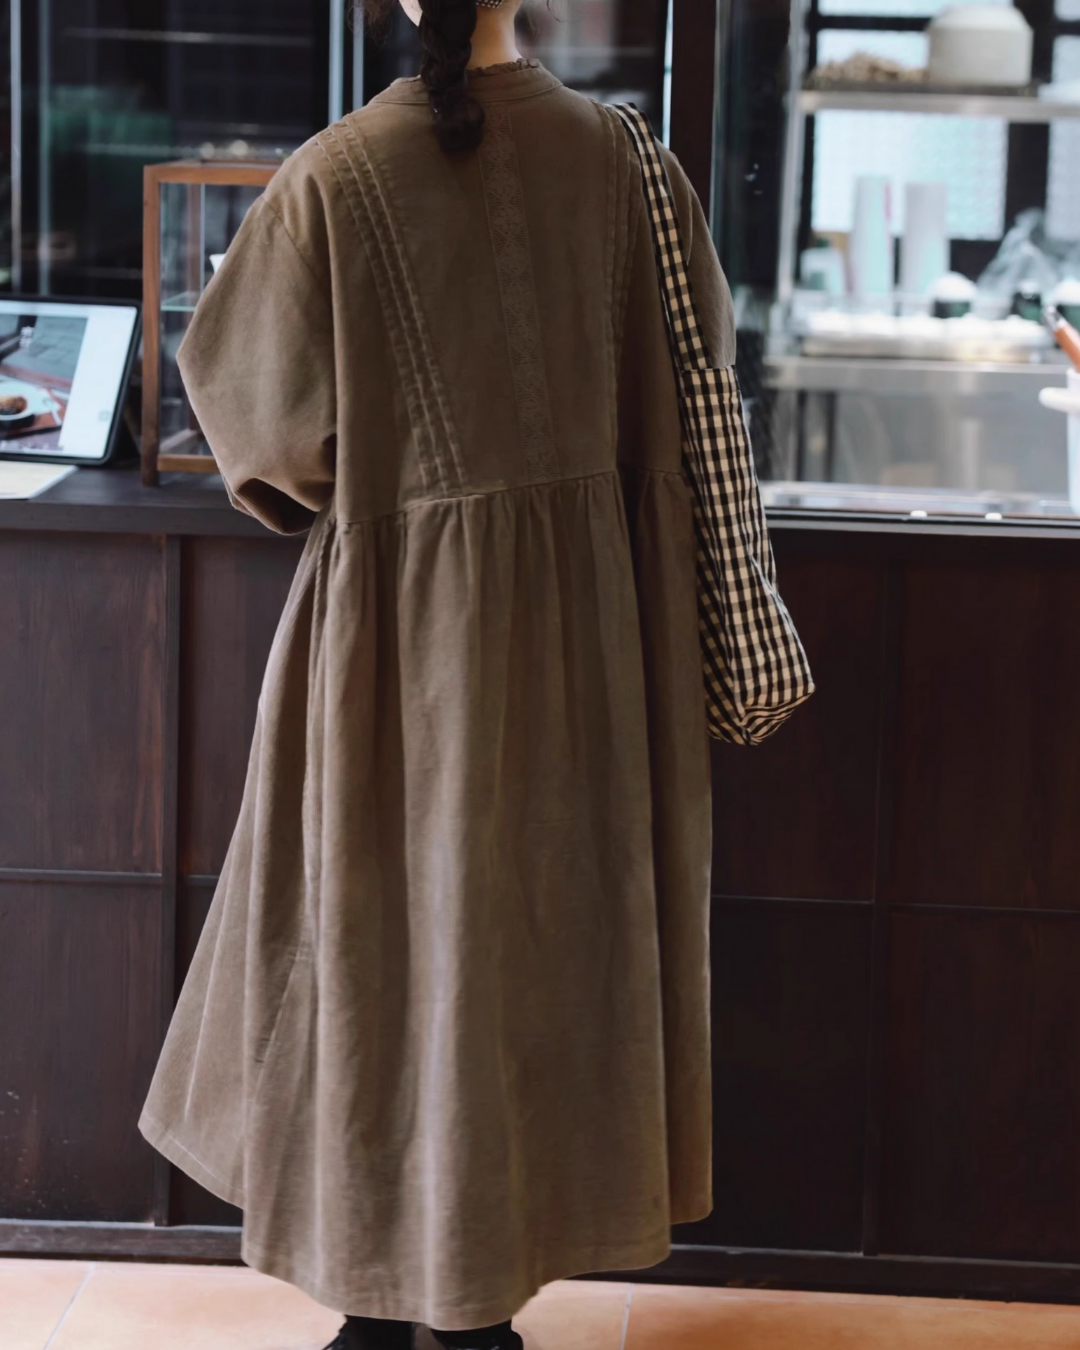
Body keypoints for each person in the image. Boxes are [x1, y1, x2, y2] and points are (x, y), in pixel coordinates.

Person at [139, 1, 741, 1346]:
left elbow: (263, 439)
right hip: (596, 646)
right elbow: (696, 361)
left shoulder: (334, 176)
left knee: (380, 958)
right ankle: (480, 1311)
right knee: (534, 958)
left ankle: (378, 1306)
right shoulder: (627, 162)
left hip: (396, 652)